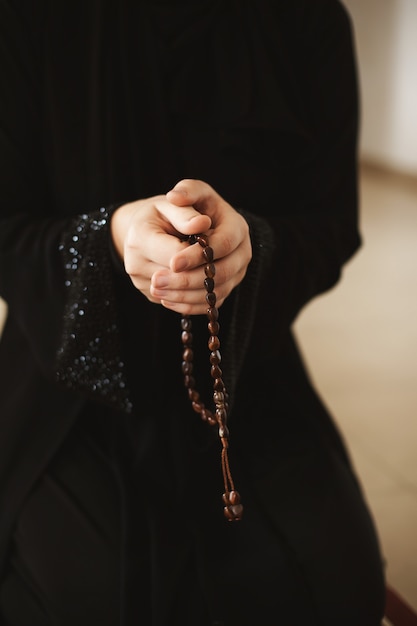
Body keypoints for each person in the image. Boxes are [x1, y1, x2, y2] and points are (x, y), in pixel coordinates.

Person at [0, 1, 386, 624]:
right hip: (67, 380)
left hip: (248, 374)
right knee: (84, 595)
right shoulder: (26, 18)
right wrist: (110, 235)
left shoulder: (308, 21)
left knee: (337, 584)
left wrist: (252, 249)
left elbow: (330, 223)